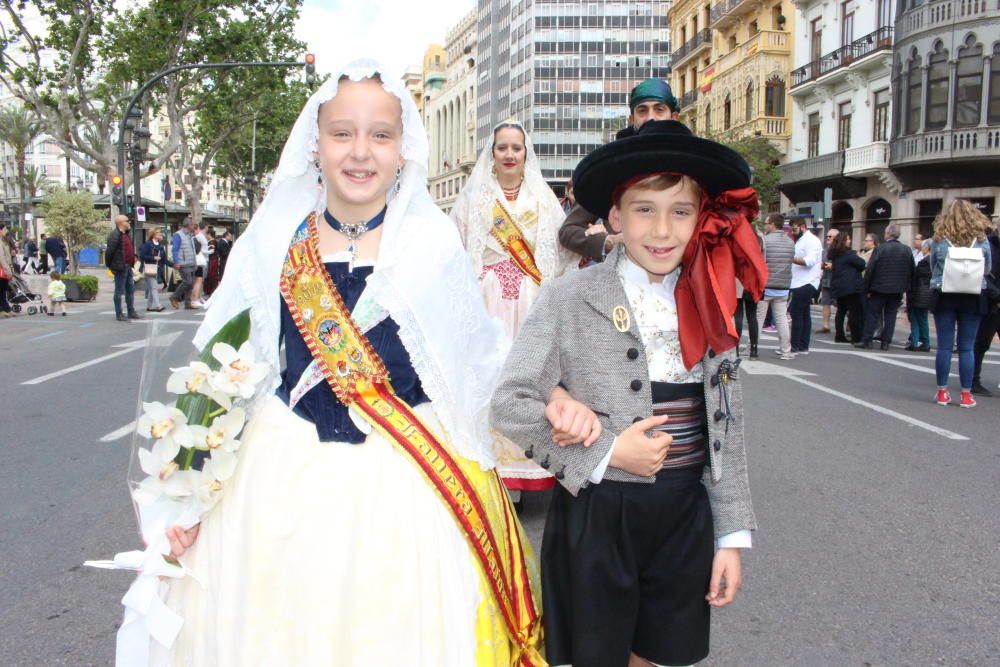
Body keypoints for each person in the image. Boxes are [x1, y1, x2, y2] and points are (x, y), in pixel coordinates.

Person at [157, 60, 546, 665]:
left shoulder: (431, 242)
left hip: (408, 487)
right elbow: (224, 370)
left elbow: (478, 374)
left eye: (380, 134)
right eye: (343, 132)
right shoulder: (273, 239)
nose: (360, 152)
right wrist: (186, 497)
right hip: (279, 483)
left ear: (403, 148)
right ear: (316, 143)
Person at [492, 119, 763, 667]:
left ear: (701, 218)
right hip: (597, 517)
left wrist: (731, 534)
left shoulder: (712, 300)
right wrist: (608, 451)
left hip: (685, 517)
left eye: (680, 211)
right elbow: (510, 401)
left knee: (659, 657)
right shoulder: (570, 297)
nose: (662, 229)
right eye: (644, 209)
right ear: (615, 216)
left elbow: (726, 426)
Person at [450, 118, 577, 495]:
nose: (509, 154)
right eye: (502, 147)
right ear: (492, 152)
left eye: (516, 148)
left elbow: (562, 249)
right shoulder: (475, 198)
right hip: (486, 302)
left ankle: (528, 469)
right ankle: (489, 470)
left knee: (530, 379)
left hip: (530, 301)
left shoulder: (542, 198)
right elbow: (455, 249)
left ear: (526, 153)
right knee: (487, 378)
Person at [558, 79, 680, 264]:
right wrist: (608, 242)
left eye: (659, 109)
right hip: (623, 278)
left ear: (674, 117)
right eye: (642, 111)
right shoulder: (611, 169)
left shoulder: (693, 167)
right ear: (631, 120)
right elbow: (568, 231)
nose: (650, 118)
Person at [930, 200, 992, 408]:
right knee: (967, 347)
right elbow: (987, 268)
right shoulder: (981, 239)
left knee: (945, 346)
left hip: (946, 293)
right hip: (973, 294)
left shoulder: (940, 239)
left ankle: (942, 392)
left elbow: (934, 268)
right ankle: (966, 395)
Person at [856, 224, 913, 350]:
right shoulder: (907, 250)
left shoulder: (880, 249)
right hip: (897, 288)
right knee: (891, 315)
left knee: (872, 314)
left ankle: (867, 340)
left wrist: (866, 288)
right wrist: (906, 287)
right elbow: (910, 270)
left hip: (879, 288)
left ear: (888, 234)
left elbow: (871, 269)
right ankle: (886, 342)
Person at [757, 213, 795, 358]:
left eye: (766, 223)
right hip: (783, 286)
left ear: (772, 224)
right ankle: (786, 350)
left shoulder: (765, 241)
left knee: (759, 319)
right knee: (782, 320)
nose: (765, 225)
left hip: (766, 286)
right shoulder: (790, 242)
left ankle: (751, 348)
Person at [971, 218, 1000, 396]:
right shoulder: (988, 244)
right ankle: (973, 380)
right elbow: (982, 274)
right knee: (981, 344)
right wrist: (997, 296)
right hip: (991, 303)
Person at [789, 220, 823, 354]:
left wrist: (789, 258)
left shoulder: (811, 240)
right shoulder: (802, 239)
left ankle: (795, 346)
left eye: (794, 229)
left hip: (806, 282)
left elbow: (809, 261)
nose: (792, 232)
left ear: (802, 227)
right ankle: (802, 346)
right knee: (803, 314)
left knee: (796, 314)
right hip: (800, 281)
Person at [827, 231, 865, 344]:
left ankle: (839, 335)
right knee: (854, 312)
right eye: (848, 239)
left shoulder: (835, 254)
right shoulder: (848, 254)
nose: (850, 241)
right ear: (844, 241)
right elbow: (862, 263)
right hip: (851, 287)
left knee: (841, 311)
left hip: (839, 286)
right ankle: (856, 336)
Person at [105, 214, 142, 322]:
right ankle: (119, 313)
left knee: (130, 290)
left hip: (127, 267)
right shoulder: (115, 235)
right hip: (120, 267)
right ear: (121, 223)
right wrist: (110, 266)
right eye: (127, 221)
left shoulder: (125, 234)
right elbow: (109, 252)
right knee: (119, 291)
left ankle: (131, 311)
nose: (128, 223)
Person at [905, 239, 933, 352]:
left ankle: (916, 342)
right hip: (929, 294)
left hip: (919, 294)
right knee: (923, 318)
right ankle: (923, 342)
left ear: (927, 248)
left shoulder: (923, 263)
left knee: (916, 318)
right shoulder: (934, 261)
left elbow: (915, 278)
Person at [169, 217, 198, 310]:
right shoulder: (178, 235)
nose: (194, 226)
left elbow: (192, 249)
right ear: (189, 225)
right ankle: (174, 296)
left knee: (191, 283)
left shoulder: (190, 235)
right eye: (193, 224)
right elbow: (175, 249)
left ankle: (187, 302)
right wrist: (176, 261)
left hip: (191, 262)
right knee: (187, 281)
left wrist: (195, 262)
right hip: (183, 262)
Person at [139, 228, 167, 312]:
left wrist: (174, 265)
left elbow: (164, 259)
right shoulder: (148, 244)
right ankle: (158, 306)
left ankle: (149, 306)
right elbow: (142, 256)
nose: (160, 234)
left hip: (157, 269)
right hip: (149, 268)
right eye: (158, 233)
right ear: (153, 235)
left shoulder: (160, 246)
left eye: (160, 233)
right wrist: (153, 258)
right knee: (154, 287)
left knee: (152, 288)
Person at [817, 228, 839, 333]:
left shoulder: (841, 250)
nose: (828, 238)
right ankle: (826, 325)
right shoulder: (824, 250)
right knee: (825, 303)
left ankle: (846, 325)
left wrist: (834, 266)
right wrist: (822, 265)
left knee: (840, 304)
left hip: (837, 280)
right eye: (827, 236)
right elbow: (820, 262)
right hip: (826, 279)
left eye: (830, 236)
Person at [189, 222, 210, 305]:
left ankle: (197, 297)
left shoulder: (195, 237)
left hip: (201, 260)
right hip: (200, 260)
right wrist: (209, 251)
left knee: (199, 280)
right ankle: (195, 298)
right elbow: (199, 249)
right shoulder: (198, 237)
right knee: (199, 280)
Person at [202, 227, 221, 296]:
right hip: (211, 260)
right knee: (209, 275)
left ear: (209, 234)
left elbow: (211, 251)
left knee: (211, 275)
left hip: (213, 260)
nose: (205, 236)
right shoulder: (211, 241)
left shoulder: (212, 241)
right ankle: (209, 290)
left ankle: (211, 290)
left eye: (206, 234)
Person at [0, 223, 13, 317]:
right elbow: (2, 257)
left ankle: (6, 308)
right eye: (5, 229)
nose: (6, 231)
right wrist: (8, 270)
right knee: (1, 290)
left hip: (4, 268)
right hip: (2, 269)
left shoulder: (3, 241)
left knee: (3, 290)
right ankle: (3, 309)